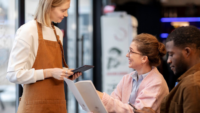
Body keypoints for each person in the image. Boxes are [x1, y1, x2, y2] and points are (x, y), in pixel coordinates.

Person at [6, 0, 82, 113]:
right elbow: (13, 74)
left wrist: (65, 73)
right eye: (63, 10)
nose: (66, 14)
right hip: (34, 107)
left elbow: (52, 68)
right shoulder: (28, 31)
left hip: (57, 105)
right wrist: (49, 72)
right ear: (49, 7)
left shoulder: (58, 33)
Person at [97, 33, 169, 113]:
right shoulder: (127, 78)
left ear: (144, 58)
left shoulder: (156, 83)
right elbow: (113, 103)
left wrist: (101, 97)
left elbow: (136, 111)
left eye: (131, 51)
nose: (127, 55)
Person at [135, 26, 200, 113]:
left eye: (171, 54)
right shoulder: (189, 81)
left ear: (187, 52)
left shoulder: (193, 84)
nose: (168, 60)